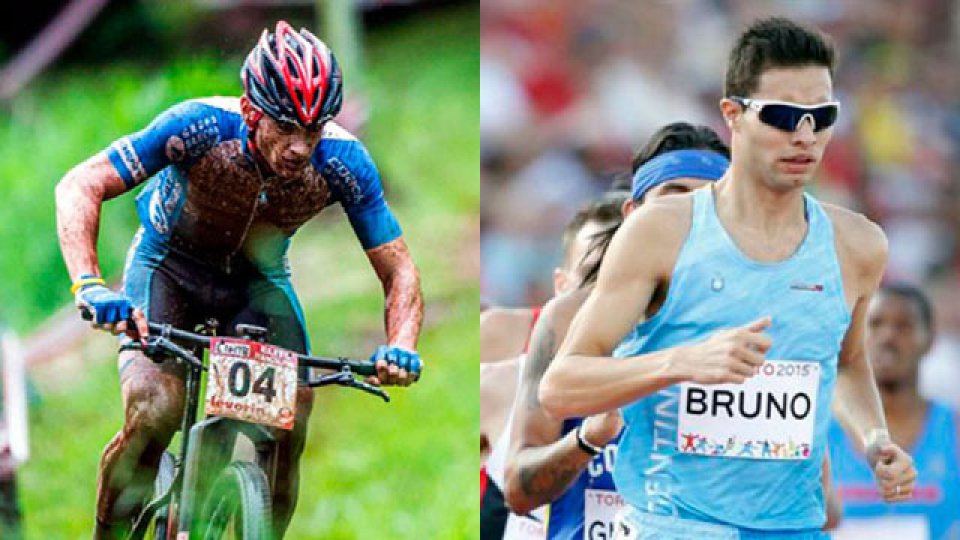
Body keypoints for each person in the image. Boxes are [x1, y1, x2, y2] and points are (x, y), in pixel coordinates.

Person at [541, 17, 916, 538]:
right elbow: (560, 387)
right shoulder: (661, 230)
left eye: (821, 117)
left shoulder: (859, 244)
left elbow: (848, 363)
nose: (805, 137)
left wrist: (874, 440)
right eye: (784, 116)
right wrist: (681, 361)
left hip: (796, 527)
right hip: (674, 525)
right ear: (733, 115)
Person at [54, 21, 424, 539]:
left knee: (292, 416)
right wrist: (88, 284)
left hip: (255, 287)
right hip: (168, 268)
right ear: (252, 112)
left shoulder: (344, 163)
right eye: (286, 127)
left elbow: (400, 267)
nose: (300, 147)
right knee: (158, 409)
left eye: (313, 131)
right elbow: (81, 184)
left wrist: (400, 345)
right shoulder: (198, 127)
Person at [504, 123, 731, 540]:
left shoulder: (758, 321)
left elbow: (821, 501)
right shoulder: (569, 318)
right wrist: (588, 439)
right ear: (633, 214)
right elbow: (518, 489)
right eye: (674, 199)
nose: (691, 219)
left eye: (709, 203)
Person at [482, 199, 622, 539]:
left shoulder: (680, 377)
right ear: (560, 286)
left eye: (620, 275)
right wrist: (587, 439)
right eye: (592, 276)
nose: (609, 294)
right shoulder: (498, 383)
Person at [828, 284, 960, 539]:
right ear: (856, 337)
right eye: (876, 324)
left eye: (904, 326)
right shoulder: (821, 430)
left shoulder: (953, 429)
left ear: (930, 339)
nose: (888, 337)